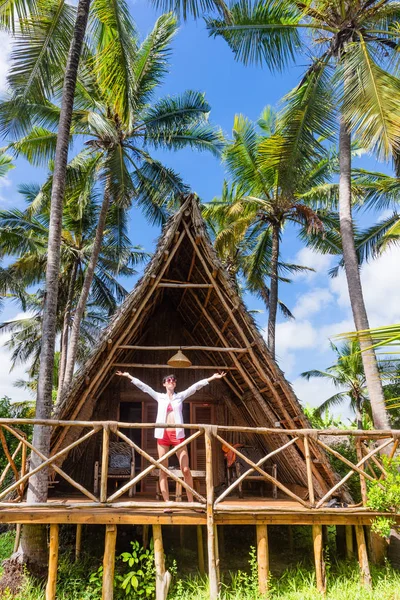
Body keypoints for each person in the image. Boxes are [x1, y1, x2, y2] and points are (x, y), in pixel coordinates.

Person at [116, 371, 226, 510]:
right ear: (164, 384)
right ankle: (167, 502)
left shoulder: (180, 397)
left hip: (178, 435)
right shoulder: (159, 397)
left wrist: (212, 378)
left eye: (173, 380)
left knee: (185, 469)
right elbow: (144, 387)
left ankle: (191, 502)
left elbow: (195, 387)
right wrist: (129, 376)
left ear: (175, 383)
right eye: (168, 380)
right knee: (163, 470)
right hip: (163, 435)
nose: (171, 381)